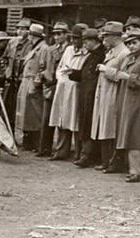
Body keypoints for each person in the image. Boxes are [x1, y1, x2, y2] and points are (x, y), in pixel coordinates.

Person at [113, 28, 140, 182]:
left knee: (137, 135)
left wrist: (128, 77)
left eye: (134, 42)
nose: (131, 46)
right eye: (129, 43)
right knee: (131, 134)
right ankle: (133, 169)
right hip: (130, 101)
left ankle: (138, 170)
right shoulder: (133, 58)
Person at [91, 21, 129, 172]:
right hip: (105, 94)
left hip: (114, 95)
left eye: (107, 36)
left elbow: (122, 75)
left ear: (115, 37)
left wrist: (105, 70)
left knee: (111, 129)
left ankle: (113, 163)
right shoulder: (112, 51)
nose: (104, 39)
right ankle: (106, 161)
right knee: (104, 128)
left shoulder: (124, 53)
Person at [49, 23, 88, 161]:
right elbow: (60, 67)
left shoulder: (86, 52)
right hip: (63, 87)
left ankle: (78, 153)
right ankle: (61, 151)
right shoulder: (69, 50)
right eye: (73, 38)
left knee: (76, 121)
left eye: (77, 38)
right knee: (62, 120)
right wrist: (60, 77)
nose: (74, 41)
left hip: (76, 89)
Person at [69, 28, 106, 168]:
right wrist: (73, 73)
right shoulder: (92, 55)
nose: (84, 44)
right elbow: (86, 75)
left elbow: (94, 76)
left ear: (93, 41)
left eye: (86, 41)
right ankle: (85, 154)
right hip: (86, 93)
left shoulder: (101, 55)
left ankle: (87, 155)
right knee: (86, 123)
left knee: (89, 124)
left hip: (91, 95)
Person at [37, 22, 70, 158]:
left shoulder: (70, 49)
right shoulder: (49, 49)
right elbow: (42, 66)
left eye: (60, 34)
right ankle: (44, 148)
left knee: (62, 120)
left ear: (66, 35)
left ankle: (61, 151)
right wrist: (44, 77)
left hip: (63, 86)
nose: (57, 37)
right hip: (50, 87)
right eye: (55, 34)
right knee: (46, 119)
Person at [14, 24, 47, 150]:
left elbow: (43, 68)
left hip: (33, 84)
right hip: (26, 82)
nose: (30, 38)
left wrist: (36, 84)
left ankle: (36, 144)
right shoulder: (33, 48)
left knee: (34, 115)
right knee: (26, 115)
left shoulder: (43, 48)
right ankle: (28, 142)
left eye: (32, 36)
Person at [3, 18, 33, 128]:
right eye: (18, 29)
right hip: (11, 82)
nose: (19, 31)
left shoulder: (31, 44)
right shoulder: (12, 42)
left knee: (22, 109)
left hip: (22, 82)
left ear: (29, 31)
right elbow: (4, 59)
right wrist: (7, 70)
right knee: (9, 109)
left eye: (23, 29)